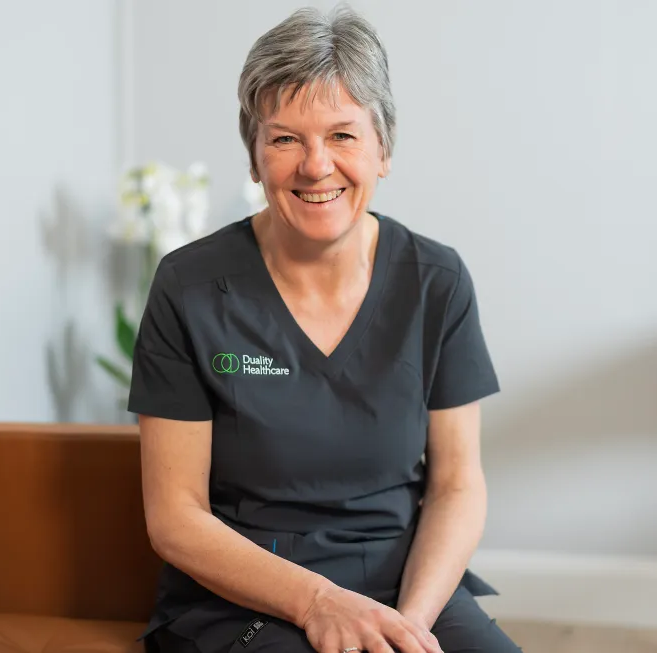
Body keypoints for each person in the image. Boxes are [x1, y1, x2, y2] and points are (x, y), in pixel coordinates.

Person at [127, 6, 520, 653]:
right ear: (254, 157)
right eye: (285, 139)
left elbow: (457, 483)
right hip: (246, 590)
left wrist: (409, 627)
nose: (316, 166)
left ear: (382, 149)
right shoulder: (189, 287)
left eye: (342, 135)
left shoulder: (435, 281)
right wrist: (319, 602)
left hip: (403, 581)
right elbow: (175, 518)